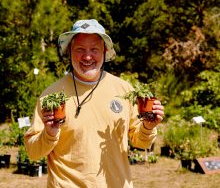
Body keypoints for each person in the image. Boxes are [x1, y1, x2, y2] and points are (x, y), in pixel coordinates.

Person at [24, 19, 164, 188]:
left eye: (94, 50)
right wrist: (49, 134)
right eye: (80, 49)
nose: (87, 56)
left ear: (105, 51)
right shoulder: (51, 95)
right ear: (69, 52)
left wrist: (148, 127)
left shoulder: (124, 90)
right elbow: (33, 153)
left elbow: (141, 141)